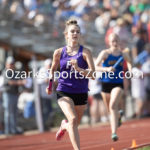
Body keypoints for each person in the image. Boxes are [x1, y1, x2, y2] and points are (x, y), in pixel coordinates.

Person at [46, 19, 95, 150]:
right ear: (66, 34)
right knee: (73, 119)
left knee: (74, 124)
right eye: (72, 31)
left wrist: (79, 69)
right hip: (64, 90)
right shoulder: (58, 52)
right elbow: (52, 70)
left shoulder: (85, 52)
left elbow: (93, 75)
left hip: (81, 91)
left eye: (78, 32)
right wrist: (50, 85)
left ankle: (64, 126)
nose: (75, 33)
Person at [95, 33, 132, 141]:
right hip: (105, 84)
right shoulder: (105, 53)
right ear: (109, 42)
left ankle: (114, 133)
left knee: (112, 106)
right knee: (110, 111)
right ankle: (119, 117)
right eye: (112, 41)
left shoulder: (123, 54)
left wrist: (129, 71)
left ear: (119, 41)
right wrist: (106, 69)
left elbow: (129, 62)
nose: (115, 43)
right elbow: (95, 66)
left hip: (117, 83)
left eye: (116, 40)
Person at [2, 56, 26, 135]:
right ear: (7, 64)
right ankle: (7, 130)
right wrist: (20, 82)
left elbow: (19, 82)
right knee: (8, 113)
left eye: (12, 64)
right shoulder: (5, 71)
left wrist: (21, 86)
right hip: (8, 94)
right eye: (10, 64)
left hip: (14, 94)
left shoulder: (15, 72)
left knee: (14, 113)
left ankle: (13, 129)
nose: (11, 65)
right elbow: (9, 82)